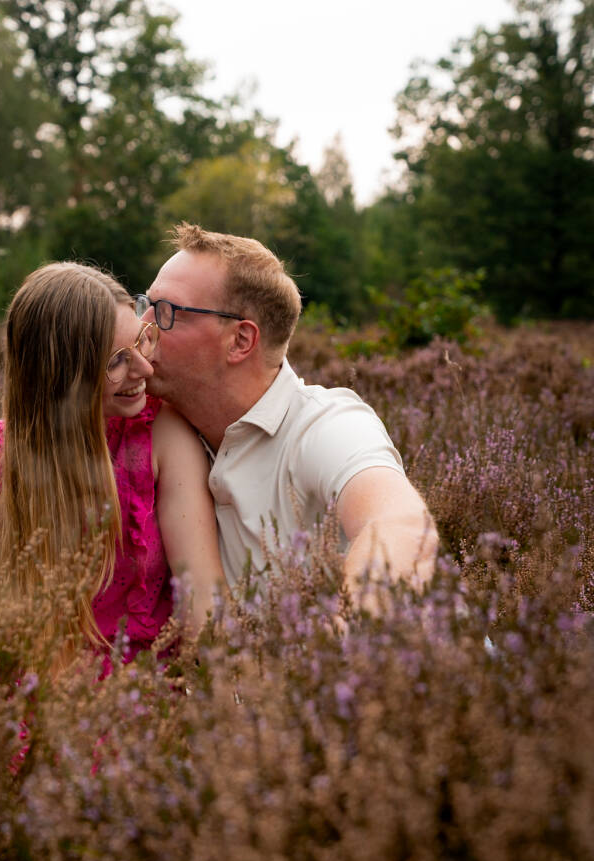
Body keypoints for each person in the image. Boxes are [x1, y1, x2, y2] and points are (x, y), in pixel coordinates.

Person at [0, 261, 224, 673]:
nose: (145, 369)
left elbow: (204, 610)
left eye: (142, 341)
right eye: (117, 361)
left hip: (148, 698)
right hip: (31, 700)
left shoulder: (161, 433)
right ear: (61, 377)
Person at [137, 224, 438, 607]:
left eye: (167, 312)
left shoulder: (328, 425)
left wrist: (344, 634)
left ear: (240, 341)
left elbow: (401, 525)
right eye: (144, 305)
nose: (142, 326)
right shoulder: (152, 427)